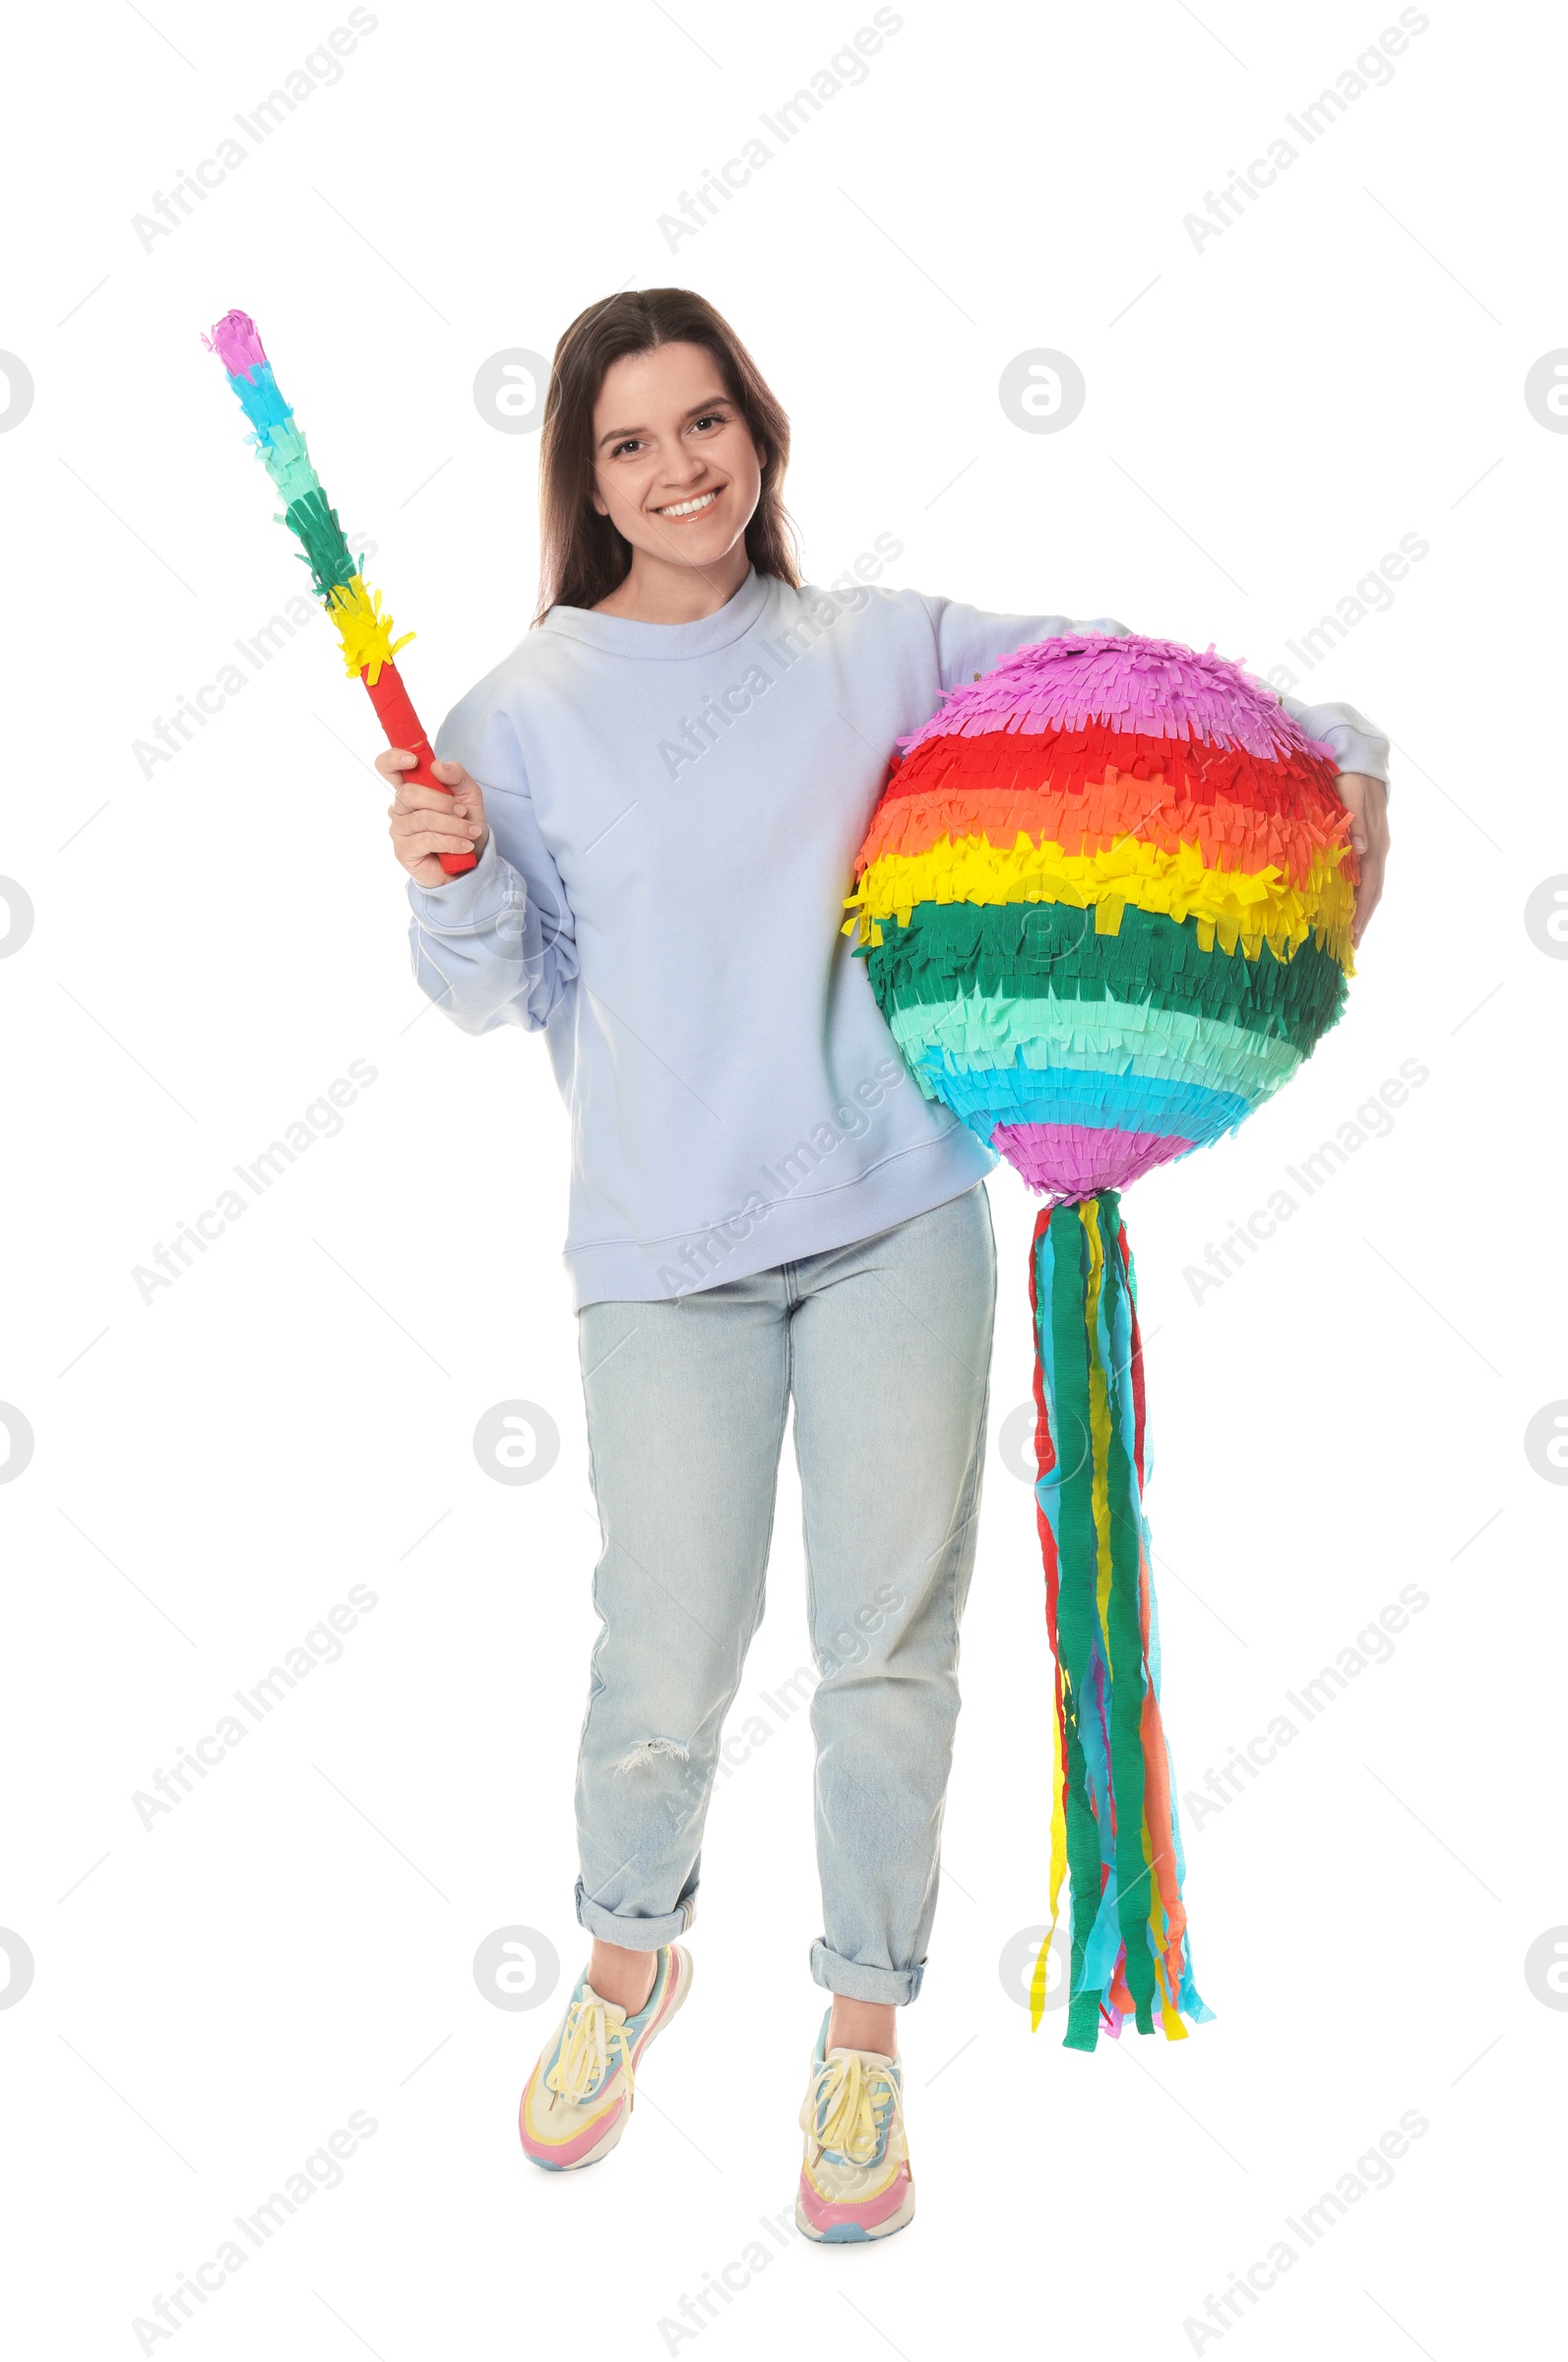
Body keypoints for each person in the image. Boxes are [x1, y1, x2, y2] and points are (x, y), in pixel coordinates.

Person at [380, 287, 1391, 2242]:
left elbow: (1111, 689)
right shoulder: (519, 712)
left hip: (891, 1220)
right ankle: (625, 1961)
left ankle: (859, 2031)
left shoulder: (879, 652)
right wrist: (447, 877)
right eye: (627, 443)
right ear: (584, 484)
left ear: (755, 430)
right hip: (662, 1251)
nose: (676, 467)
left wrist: (1328, 747)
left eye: (701, 423)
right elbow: (500, 990)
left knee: (883, 1656)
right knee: (659, 1665)